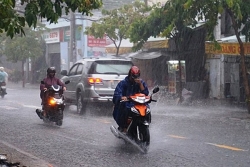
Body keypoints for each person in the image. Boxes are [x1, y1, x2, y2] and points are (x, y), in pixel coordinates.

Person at [112, 66, 149, 133]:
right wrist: (122, 97)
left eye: (137, 76)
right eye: (134, 77)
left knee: (147, 108)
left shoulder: (141, 83)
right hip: (128, 103)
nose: (135, 79)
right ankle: (124, 127)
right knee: (125, 108)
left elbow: (145, 93)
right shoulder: (123, 83)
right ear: (130, 75)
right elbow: (117, 94)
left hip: (139, 103)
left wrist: (140, 84)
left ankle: (145, 122)